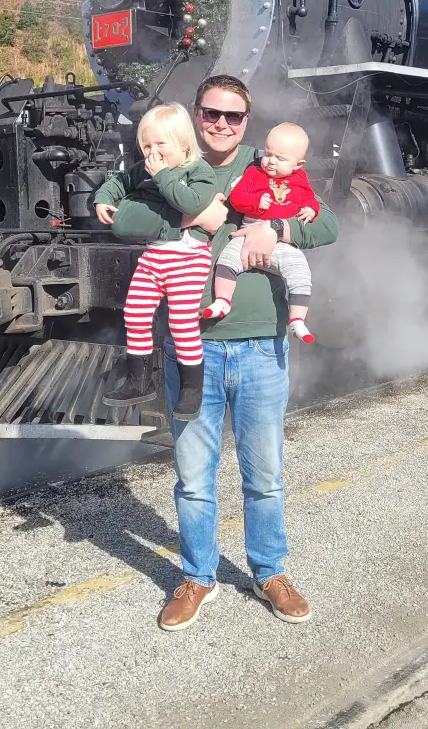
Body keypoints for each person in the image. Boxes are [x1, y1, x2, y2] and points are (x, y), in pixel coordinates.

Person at [107, 74, 339, 631]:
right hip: (192, 352)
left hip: (261, 347)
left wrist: (275, 232)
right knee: (193, 477)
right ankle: (198, 576)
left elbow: (327, 223)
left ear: (247, 121)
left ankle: (269, 571)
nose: (221, 124)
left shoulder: (269, 166)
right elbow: (123, 217)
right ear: (196, 112)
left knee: (265, 475)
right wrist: (194, 215)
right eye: (212, 113)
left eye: (234, 117)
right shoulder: (167, 157)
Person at [92, 103, 217, 420]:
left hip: (188, 258)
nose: (153, 152)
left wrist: (162, 176)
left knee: (181, 323)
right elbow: (119, 182)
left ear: (184, 143)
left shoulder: (198, 171)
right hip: (155, 256)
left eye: (161, 145)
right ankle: (139, 380)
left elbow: (190, 202)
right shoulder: (143, 168)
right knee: (134, 313)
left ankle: (192, 389)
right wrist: (103, 197)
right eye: (146, 146)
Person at [202, 122, 320, 344]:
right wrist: (256, 202)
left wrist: (311, 209)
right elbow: (237, 198)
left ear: (298, 164)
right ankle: (223, 300)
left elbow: (310, 199)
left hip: (282, 243)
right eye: (268, 154)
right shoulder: (254, 173)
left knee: (299, 269)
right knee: (227, 259)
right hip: (247, 232)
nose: (271, 161)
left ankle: (298, 319)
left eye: (280, 158)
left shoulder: (300, 180)